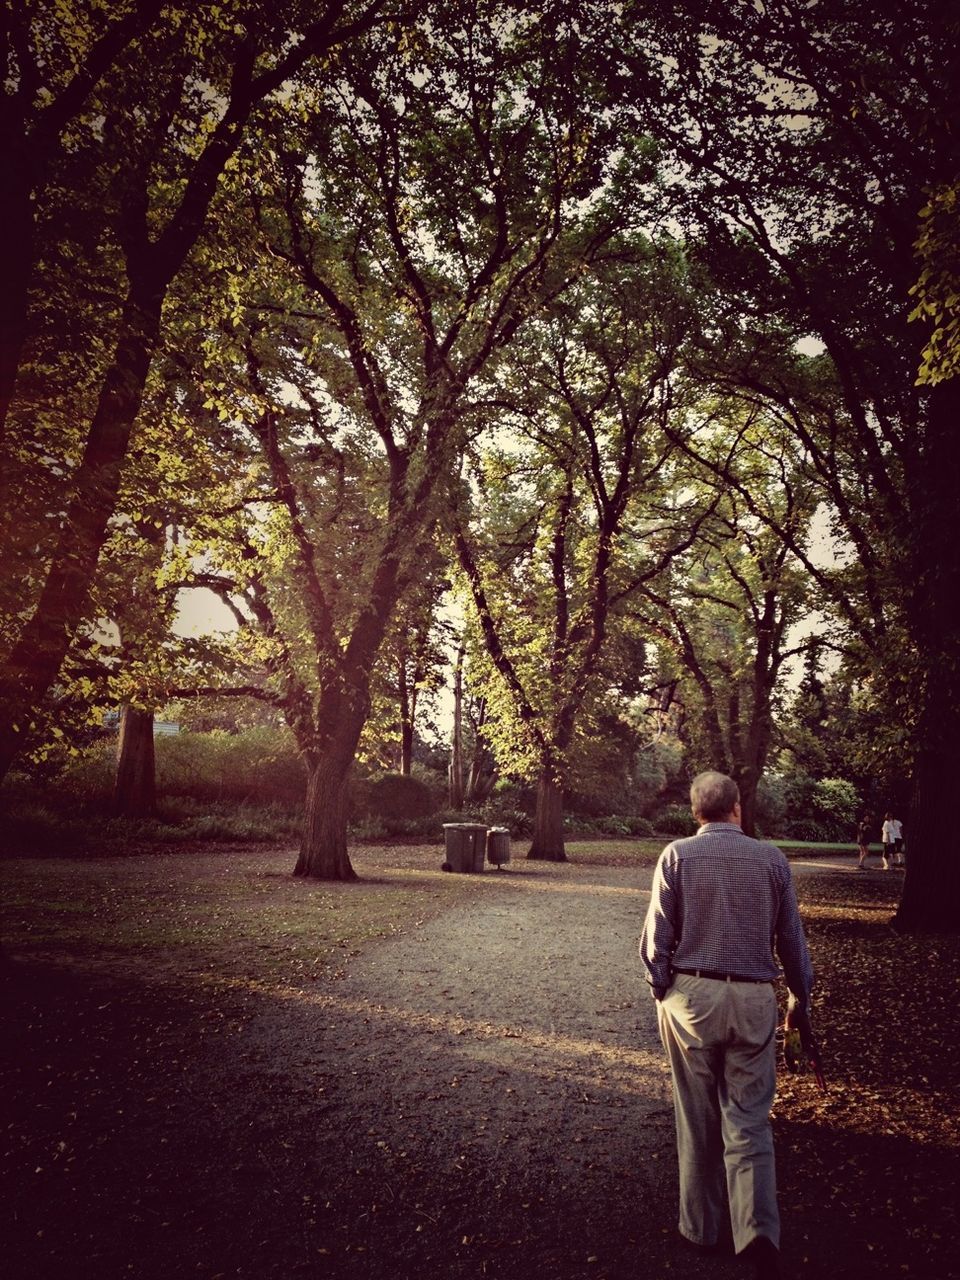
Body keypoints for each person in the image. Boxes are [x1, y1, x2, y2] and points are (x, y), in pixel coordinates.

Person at [639, 771, 814, 1280]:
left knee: (697, 1117)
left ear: (696, 812)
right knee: (749, 1118)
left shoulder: (677, 855)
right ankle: (756, 1231)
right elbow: (792, 942)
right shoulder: (772, 859)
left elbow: (656, 939)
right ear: (736, 808)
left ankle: (701, 1229)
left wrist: (663, 990)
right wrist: (800, 999)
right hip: (755, 996)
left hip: (693, 996)